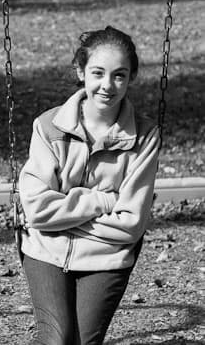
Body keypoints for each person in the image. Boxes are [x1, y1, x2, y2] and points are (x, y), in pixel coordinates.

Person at [18, 26, 161, 344]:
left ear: (131, 78)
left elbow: (130, 225)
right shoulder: (48, 126)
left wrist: (64, 214)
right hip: (46, 250)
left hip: (107, 255)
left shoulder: (144, 137)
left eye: (119, 75)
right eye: (98, 72)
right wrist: (105, 202)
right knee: (56, 339)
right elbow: (38, 212)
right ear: (80, 71)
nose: (108, 85)